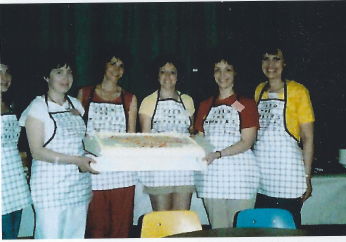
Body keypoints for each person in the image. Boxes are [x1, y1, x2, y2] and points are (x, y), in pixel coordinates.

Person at [19, 50, 98, 239]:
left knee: (75, 235)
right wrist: (77, 160)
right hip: (50, 187)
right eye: (59, 72)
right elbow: (37, 152)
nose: (65, 77)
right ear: (47, 77)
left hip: (78, 185)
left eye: (69, 72)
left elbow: (85, 141)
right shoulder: (37, 108)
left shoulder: (76, 105)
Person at [194, 52, 260, 229]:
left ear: (235, 73)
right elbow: (200, 138)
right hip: (211, 176)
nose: (222, 75)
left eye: (227, 70)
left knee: (241, 230)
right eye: (218, 70)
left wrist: (218, 154)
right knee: (218, 229)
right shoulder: (205, 105)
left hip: (241, 175)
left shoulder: (245, 103)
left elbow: (247, 142)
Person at [77, 47, 137, 238]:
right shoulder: (85, 93)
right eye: (112, 63)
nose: (117, 69)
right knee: (96, 227)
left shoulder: (129, 99)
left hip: (121, 170)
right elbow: (78, 132)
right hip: (94, 168)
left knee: (121, 227)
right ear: (103, 65)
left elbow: (131, 137)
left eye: (121, 66)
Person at [253, 46, 315, 228]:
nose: (270, 64)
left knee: (287, 228)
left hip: (288, 176)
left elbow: (308, 139)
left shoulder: (298, 91)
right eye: (266, 58)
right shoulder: (258, 90)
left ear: (285, 63)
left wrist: (307, 176)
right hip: (262, 175)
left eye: (276, 59)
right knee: (261, 230)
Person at [138, 55, 196, 211]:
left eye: (172, 72)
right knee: (162, 219)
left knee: (182, 218)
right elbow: (145, 137)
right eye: (163, 72)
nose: (168, 76)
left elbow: (191, 129)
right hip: (159, 167)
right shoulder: (148, 101)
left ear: (178, 76)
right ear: (157, 76)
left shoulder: (187, 100)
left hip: (184, 167)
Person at [1, 63, 32, 239]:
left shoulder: (11, 105)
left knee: (12, 233)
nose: (4, 78)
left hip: (14, 181)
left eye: (7, 72)